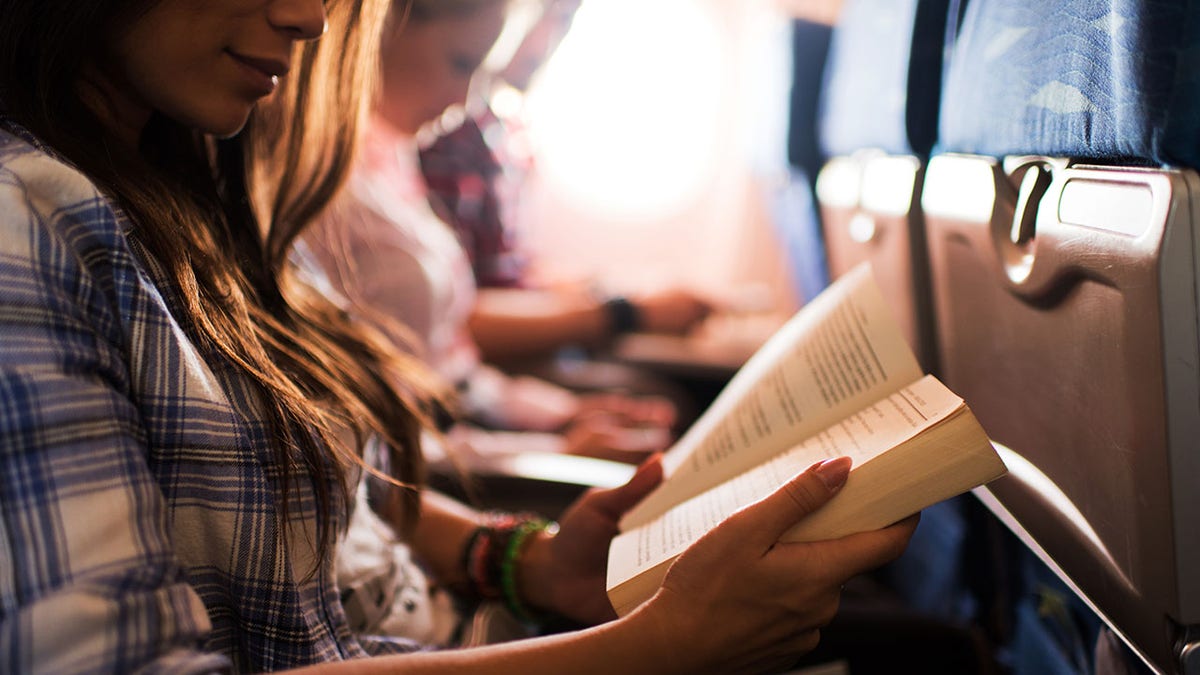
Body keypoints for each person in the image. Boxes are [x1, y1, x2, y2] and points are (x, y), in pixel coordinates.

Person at [0, 0, 918, 673]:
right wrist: (655, 649)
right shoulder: (25, 222)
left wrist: (527, 562)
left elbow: (327, 488)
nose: (311, 18)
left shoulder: (202, 200)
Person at [305, 0, 681, 466]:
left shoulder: (391, 156)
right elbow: (385, 439)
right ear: (384, 29)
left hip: (466, 432)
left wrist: (561, 416)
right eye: (461, 63)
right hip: (431, 467)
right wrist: (553, 449)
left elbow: (457, 375)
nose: (465, 101)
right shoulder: (323, 186)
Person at [417, 0, 715, 373]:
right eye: (549, 17)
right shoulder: (441, 130)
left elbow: (509, 274)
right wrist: (625, 313)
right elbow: (454, 318)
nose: (549, 41)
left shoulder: (504, 129)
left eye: (566, 22)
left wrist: (604, 289)